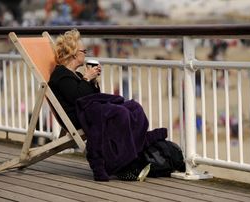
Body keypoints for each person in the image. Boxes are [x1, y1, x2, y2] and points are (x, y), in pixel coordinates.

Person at [48, 29, 183, 181]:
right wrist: (87, 78)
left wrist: (92, 80)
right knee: (120, 113)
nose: (86, 54)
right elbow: (77, 99)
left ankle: (132, 155)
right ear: (73, 53)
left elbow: (90, 96)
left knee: (135, 108)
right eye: (84, 51)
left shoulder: (75, 75)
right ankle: (121, 165)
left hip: (91, 110)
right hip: (80, 117)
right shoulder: (61, 75)